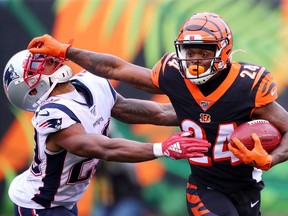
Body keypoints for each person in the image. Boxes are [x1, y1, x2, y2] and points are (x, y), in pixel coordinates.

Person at [27, 12, 288, 216]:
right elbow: (115, 68)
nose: (195, 60)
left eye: (204, 53)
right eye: (190, 51)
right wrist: (66, 51)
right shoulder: (173, 74)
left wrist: (271, 159)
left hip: (246, 187)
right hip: (204, 187)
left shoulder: (248, 85)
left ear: (224, 52)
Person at [2, 49, 212, 216]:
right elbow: (103, 147)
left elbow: (149, 112)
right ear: (30, 89)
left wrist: (205, 113)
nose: (48, 59)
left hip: (64, 202)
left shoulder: (90, 83)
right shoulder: (51, 114)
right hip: (40, 204)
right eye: (37, 64)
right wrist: (161, 148)